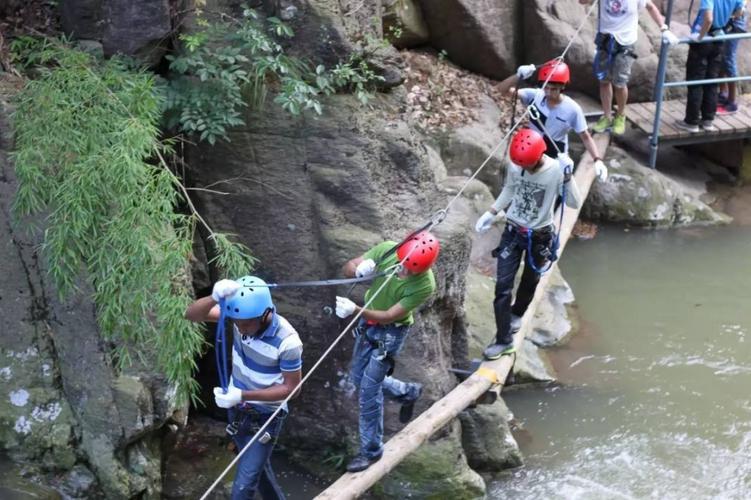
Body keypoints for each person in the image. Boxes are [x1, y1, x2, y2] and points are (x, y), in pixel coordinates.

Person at [184, 276, 303, 500]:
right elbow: (191, 315)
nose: (240, 328)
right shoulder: (242, 319)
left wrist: (241, 394)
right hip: (238, 410)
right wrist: (214, 297)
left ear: (266, 313)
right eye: (236, 322)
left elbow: (293, 390)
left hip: (266, 417)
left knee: (242, 489)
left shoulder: (288, 342)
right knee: (259, 470)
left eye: (246, 323)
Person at [335, 231, 438, 472]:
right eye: (405, 267)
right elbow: (346, 268)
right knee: (358, 379)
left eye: (414, 270)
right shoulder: (388, 250)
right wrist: (359, 270)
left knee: (368, 391)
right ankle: (407, 392)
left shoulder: (425, 284)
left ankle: (371, 451)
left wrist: (355, 310)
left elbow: (390, 315)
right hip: (368, 324)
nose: (407, 273)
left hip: (390, 332)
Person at [475, 128, 582, 361]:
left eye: (528, 166)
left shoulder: (555, 171)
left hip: (540, 236)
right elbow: (510, 189)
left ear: (539, 157)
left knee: (530, 280)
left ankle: (517, 314)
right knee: (502, 287)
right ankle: (504, 340)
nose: (524, 170)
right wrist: (492, 212)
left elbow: (574, 202)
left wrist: (568, 176)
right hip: (512, 232)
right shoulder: (518, 165)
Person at [500, 59, 608, 183]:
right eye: (546, 88)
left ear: (562, 86)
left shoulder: (572, 109)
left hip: (556, 154)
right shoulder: (536, 96)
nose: (549, 93)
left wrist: (597, 160)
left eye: (554, 89)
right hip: (531, 149)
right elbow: (501, 90)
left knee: (553, 189)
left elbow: (585, 137)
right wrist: (518, 75)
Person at [583, 0, 679, 135]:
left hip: (625, 42)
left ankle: (620, 115)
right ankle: (606, 116)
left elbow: (650, 7)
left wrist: (664, 29)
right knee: (604, 80)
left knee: (620, 82)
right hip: (605, 38)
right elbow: (583, 2)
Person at [677, 0, 744, 132]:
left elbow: (708, 19)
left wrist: (700, 37)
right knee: (712, 81)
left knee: (696, 81)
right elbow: (740, 12)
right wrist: (726, 19)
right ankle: (708, 120)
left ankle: (692, 122)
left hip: (704, 39)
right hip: (719, 39)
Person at [718, 2, 747, 114]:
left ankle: (732, 101)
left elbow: (740, 9)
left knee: (728, 58)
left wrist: (733, 15)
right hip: (725, 20)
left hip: (734, 22)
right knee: (720, 55)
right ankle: (723, 93)